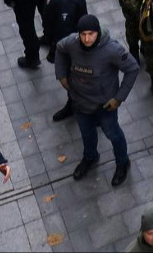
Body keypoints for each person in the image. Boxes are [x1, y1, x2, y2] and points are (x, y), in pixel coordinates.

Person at [55, 14, 139, 186]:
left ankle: (123, 162)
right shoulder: (71, 42)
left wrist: (118, 98)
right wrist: (61, 74)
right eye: (83, 34)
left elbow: (133, 69)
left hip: (105, 106)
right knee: (87, 134)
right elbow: (59, 49)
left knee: (113, 135)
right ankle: (90, 157)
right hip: (79, 103)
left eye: (91, 34)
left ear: (98, 33)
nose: (86, 39)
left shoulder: (112, 50)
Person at [41, 0, 89, 120]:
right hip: (71, 38)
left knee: (72, 76)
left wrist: (55, 50)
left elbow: (64, 31)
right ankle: (74, 103)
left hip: (71, 45)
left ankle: (79, 106)